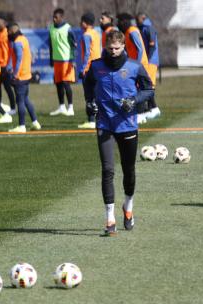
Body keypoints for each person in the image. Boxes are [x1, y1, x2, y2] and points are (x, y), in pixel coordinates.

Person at [83, 30, 154, 236]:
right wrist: (90, 102)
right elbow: (88, 83)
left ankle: (128, 207)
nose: (113, 52)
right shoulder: (96, 66)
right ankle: (109, 218)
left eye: (117, 48)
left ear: (123, 47)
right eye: (110, 48)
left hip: (127, 124)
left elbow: (149, 90)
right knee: (107, 170)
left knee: (128, 170)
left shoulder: (134, 66)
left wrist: (134, 101)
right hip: (104, 123)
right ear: (106, 46)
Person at [7, 23, 41, 133]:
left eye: (8, 31)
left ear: (12, 31)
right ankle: (35, 122)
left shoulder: (17, 42)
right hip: (26, 75)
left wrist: (15, 74)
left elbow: (19, 60)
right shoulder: (24, 39)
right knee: (26, 99)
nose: (7, 34)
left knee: (20, 101)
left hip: (20, 77)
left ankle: (21, 126)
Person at [117, 13, 149, 125]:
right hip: (132, 65)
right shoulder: (127, 32)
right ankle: (141, 113)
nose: (117, 23)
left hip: (139, 65)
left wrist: (137, 65)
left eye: (119, 21)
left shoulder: (132, 31)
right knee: (134, 88)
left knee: (139, 89)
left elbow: (140, 49)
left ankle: (140, 114)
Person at [49, 8, 76, 117]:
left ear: (61, 17)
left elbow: (74, 45)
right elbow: (50, 45)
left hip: (66, 60)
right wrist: (51, 59)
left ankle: (70, 107)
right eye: (53, 17)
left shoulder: (68, 29)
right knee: (58, 84)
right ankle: (61, 107)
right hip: (56, 61)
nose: (54, 19)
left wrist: (72, 59)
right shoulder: (51, 28)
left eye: (56, 17)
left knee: (66, 83)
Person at [78, 12, 102, 129]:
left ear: (85, 22)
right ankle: (98, 118)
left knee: (89, 95)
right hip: (98, 67)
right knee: (96, 94)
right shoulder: (96, 33)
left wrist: (83, 68)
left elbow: (87, 53)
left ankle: (91, 120)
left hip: (89, 68)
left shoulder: (86, 35)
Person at [136, 13, 161, 120]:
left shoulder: (148, 28)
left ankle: (154, 109)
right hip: (148, 61)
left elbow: (152, 45)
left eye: (137, 19)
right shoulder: (143, 28)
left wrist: (147, 59)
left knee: (148, 85)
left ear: (143, 18)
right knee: (145, 84)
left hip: (150, 61)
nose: (136, 22)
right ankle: (149, 109)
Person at [0, 16, 15, 116]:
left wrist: (10, 65)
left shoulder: (8, 34)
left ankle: (13, 108)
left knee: (8, 88)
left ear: (4, 24)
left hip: (6, 66)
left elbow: (12, 50)